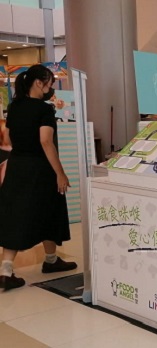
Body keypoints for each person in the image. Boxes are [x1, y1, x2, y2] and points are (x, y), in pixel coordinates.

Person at [0, 64, 77, 291]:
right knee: (50, 210)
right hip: (40, 169)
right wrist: (60, 173)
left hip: (17, 167)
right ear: (39, 83)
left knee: (14, 214)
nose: (51, 88)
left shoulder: (14, 108)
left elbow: (8, 137)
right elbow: (46, 141)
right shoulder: (44, 110)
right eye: (50, 84)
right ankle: (51, 261)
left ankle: (6, 269)